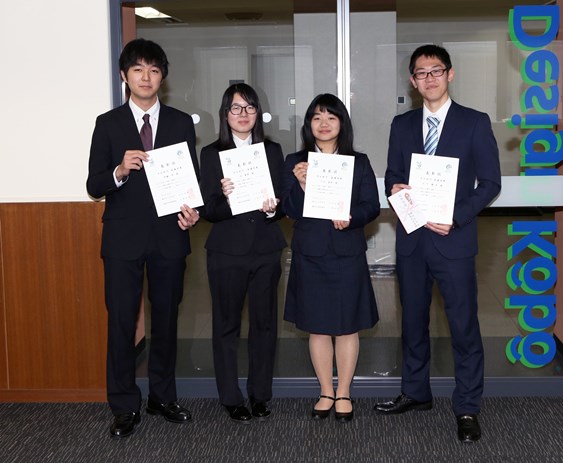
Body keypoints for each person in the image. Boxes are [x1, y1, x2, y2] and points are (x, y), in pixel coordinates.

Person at [374, 44, 501, 443]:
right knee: (413, 322)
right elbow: (393, 174)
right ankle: (416, 392)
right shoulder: (402, 124)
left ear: (450, 74)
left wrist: (457, 215)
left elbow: (491, 184)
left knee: (463, 326)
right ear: (412, 81)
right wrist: (396, 188)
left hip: (454, 241)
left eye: (436, 71)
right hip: (412, 240)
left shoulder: (474, 123)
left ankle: (467, 406)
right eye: (420, 73)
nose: (429, 78)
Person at [87, 38, 199, 438]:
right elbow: (93, 183)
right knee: (120, 322)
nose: (146, 77)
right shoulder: (108, 123)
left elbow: (192, 182)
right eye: (138, 70)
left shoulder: (182, 122)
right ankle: (123, 405)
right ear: (124, 76)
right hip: (122, 240)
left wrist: (192, 212)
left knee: (166, 320)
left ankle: (163, 397)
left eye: (153, 70)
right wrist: (119, 170)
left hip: (170, 237)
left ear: (162, 76)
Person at [281, 94, 380, 423]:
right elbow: (290, 210)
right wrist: (300, 182)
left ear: (342, 124)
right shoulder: (295, 161)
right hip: (311, 251)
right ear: (309, 124)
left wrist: (352, 217)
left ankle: (344, 392)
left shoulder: (359, 161)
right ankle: (325, 390)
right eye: (316, 118)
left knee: (347, 326)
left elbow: (371, 205)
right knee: (318, 328)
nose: (323, 124)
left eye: (331, 118)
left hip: (346, 250)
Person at [199, 83, 287, 423]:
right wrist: (224, 196)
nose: (243, 115)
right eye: (236, 108)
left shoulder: (272, 151)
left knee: (264, 326)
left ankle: (260, 394)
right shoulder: (210, 154)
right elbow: (208, 210)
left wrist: (271, 209)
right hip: (226, 252)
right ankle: (231, 397)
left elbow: (281, 204)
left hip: (265, 249)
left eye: (250, 108)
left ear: (258, 114)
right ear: (225, 114)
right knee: (226, 326)